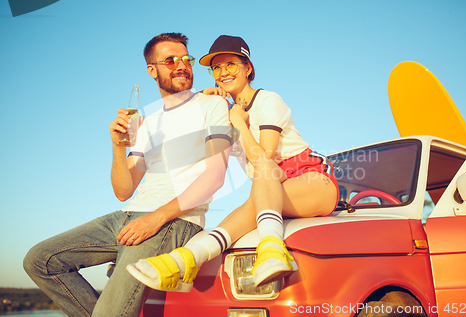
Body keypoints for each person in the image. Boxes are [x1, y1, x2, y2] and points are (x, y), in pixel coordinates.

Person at [23, 33, 231, 317]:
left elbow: (215, 177)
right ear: (152, 70)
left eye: (186, 59)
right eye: (170, 60)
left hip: (173, 219)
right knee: (40, 260)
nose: (181, 65)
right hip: (128, 215)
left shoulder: (212, 106)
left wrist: (156, 217)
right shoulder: (146, 121)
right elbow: (123, 190)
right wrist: (117, 146)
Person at [128, 35, 339, 291]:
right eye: (216, 68)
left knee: (258, 190)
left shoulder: (267, 100)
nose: (223, 72)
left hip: (313, 180)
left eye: (231, 65)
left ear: (248, 68)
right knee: (249, 207)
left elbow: (266, 165)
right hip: (269, 190)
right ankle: (181, 262)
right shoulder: (223, 109)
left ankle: (270, 250)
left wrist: (239, 122)